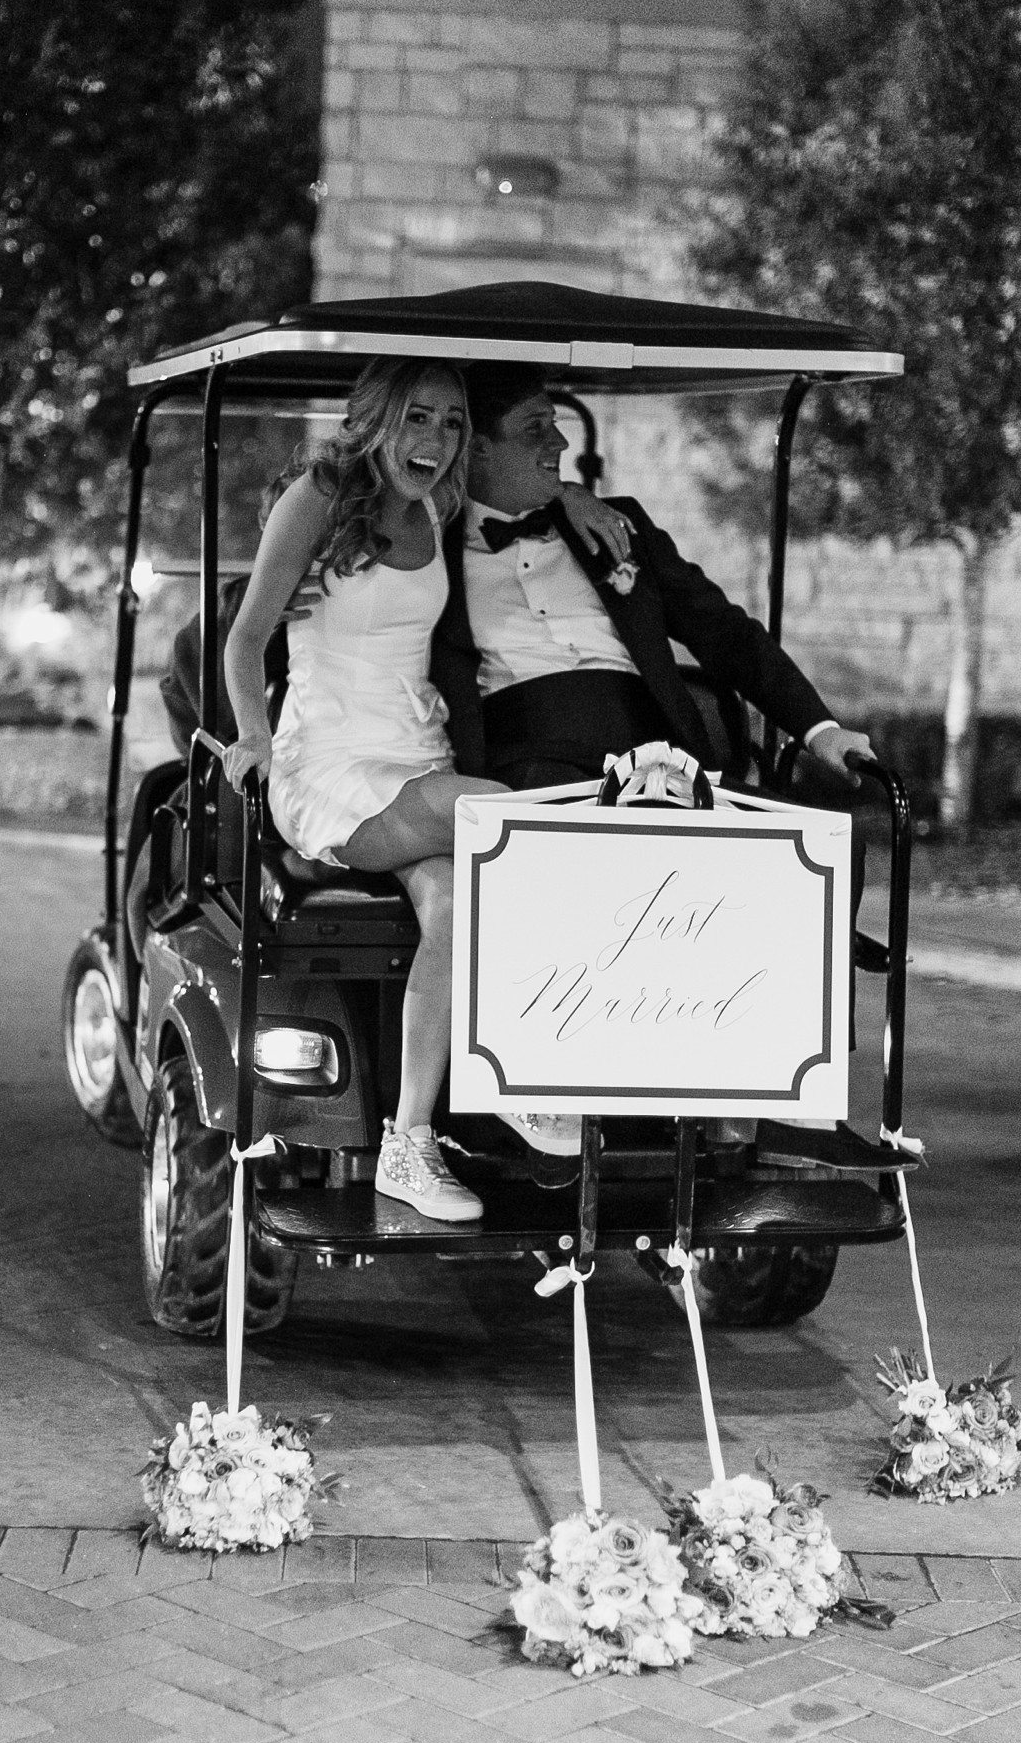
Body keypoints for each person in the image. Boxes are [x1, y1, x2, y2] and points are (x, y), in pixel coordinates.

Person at [221, 360, 512, 1223]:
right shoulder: (317, 496)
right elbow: (244, 642)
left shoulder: (438, 505)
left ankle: (409, 1144)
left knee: (459, 904)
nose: (434, 440)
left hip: (416, 752)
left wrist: (577, 502)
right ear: (377, 418)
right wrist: (253, 737)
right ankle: (530, 1072)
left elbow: (528, 493)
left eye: (452, 423)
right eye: (417, 418)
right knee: (506, 822)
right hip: (331, 767)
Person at [430, 363, 877, 793]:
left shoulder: (615, 525)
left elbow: (723, 632)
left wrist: (820, 730)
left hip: (655, 760)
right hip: (523, 768)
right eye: (535, 429)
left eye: (556, 423)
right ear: (477, 447)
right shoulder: (429, 548)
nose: (561, 443)